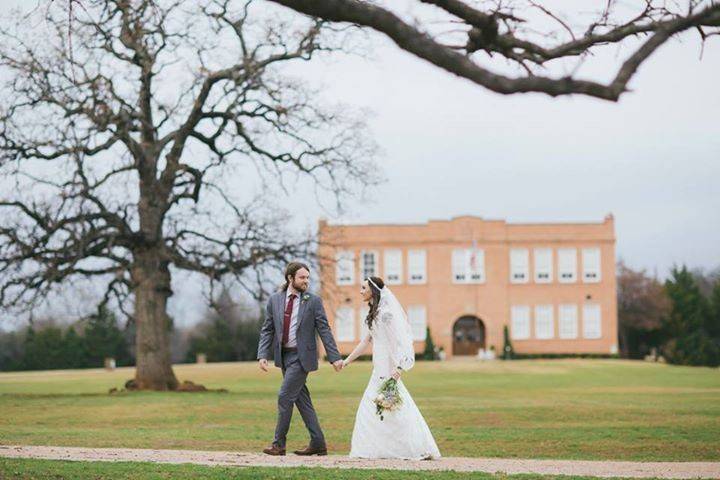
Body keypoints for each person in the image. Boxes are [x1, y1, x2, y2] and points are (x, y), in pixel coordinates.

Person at [342, 276, 441, 460]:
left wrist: (398, 369)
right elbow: (366, 341)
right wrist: (346, 361)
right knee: (377, 409)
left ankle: (416, 448)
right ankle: (375, 449)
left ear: (373, 290)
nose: (361, 291)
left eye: (364, 288)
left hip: (389, 370)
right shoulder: (373, 313)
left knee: (392, 408)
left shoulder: (387, 314)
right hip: (377, 369)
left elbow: (399, 342)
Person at [257, 261, 344, 456]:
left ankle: (278, 445)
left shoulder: (313, 301)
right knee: (302, 401)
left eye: (307, 277)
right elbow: (268, 329)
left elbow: (324, 329)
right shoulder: (275, 300)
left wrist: (335, 357)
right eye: (302, 277)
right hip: (284, 357)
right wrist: (262, 354)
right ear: (290, 279)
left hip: (301, 357)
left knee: (285, 397)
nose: (306, 281)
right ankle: (318, 443)